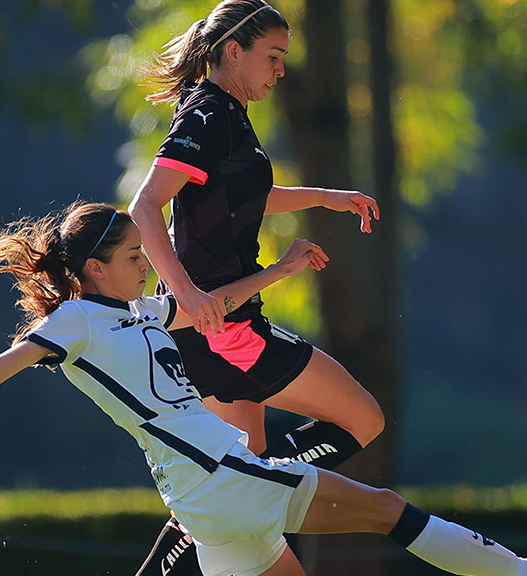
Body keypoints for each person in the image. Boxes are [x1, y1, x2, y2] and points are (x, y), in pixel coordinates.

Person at [0, 202, 527, 576]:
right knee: (383, 508)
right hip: (218, 475)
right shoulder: (78, 324)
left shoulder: (138, 311)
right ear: (92, 270)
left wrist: (278, 272)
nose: (145, 267)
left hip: (205, 498)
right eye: (132, 257)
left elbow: (205, 302)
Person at [131, 3, 384, 567]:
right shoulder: (207, 113)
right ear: (232, 51)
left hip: (217, 326)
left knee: (232, 477)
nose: (281, 71)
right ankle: (252, 482)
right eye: (273, 57)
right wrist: (188, 296)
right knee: (364, 420)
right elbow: (145, 205)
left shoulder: (229, 113)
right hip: (226, 327)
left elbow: (239, 198)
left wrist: (325, 196)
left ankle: (239, 488)